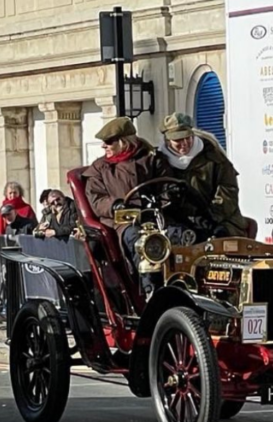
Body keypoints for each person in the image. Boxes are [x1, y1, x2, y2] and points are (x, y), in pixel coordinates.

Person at [82, 117, 172, 295]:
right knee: (142, 243)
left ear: (124, 142)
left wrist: (161, 201)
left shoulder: (152, 159)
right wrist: (115, 205)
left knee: (181, 235)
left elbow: (167, 187)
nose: (104, 147)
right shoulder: (100, 168)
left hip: (155, 216)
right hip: (122, 222)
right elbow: (96, 199)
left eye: (108, 142)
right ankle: (150, 292)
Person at [158, 113, 247, 237]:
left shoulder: (214, 157)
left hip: (221, 220)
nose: (184, 143)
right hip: (178, 225)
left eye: (187, 138)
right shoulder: (159, 163)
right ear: (167, 141)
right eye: (177, 140)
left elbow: (228, 191)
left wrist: (211, 216)